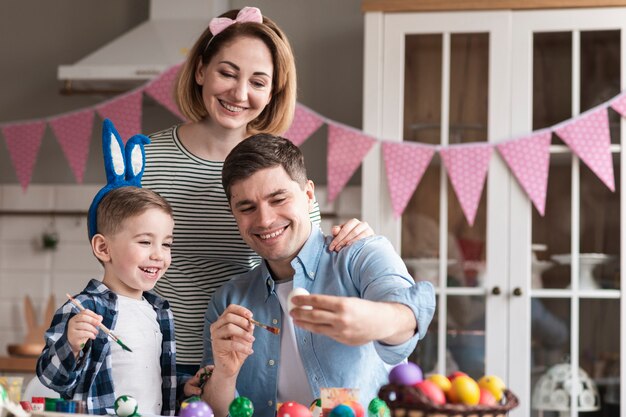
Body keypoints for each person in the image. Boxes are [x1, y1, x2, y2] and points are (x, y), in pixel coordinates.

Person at [142, 6, 373, 376]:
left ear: (273, 92)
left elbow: (310, 263)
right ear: (201, 70)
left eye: (258, 81)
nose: (239, 92)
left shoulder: (276, 168)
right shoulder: (145, 157)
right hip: (156, 356)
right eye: (227, 73)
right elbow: (116, 256)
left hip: (250, 360)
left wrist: (355, 241)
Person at [200, 134, 436, 417]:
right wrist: (224, 375)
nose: (264, 220)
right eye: (247, 207)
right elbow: (213, 412)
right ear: (233, 214)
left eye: (278, 199)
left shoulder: (360, 255)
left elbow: (410, 310)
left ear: (309, 195)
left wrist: (373, 320)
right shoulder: (228, 301)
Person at [36, 121, 205, 415]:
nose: (159, 255)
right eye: (145, 242)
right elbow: (52, 378)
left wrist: (184, 387)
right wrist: (71, 345)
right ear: (103, 248)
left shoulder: (159, 311)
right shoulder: (84, 309)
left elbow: (151, 378)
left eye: (166, 244)